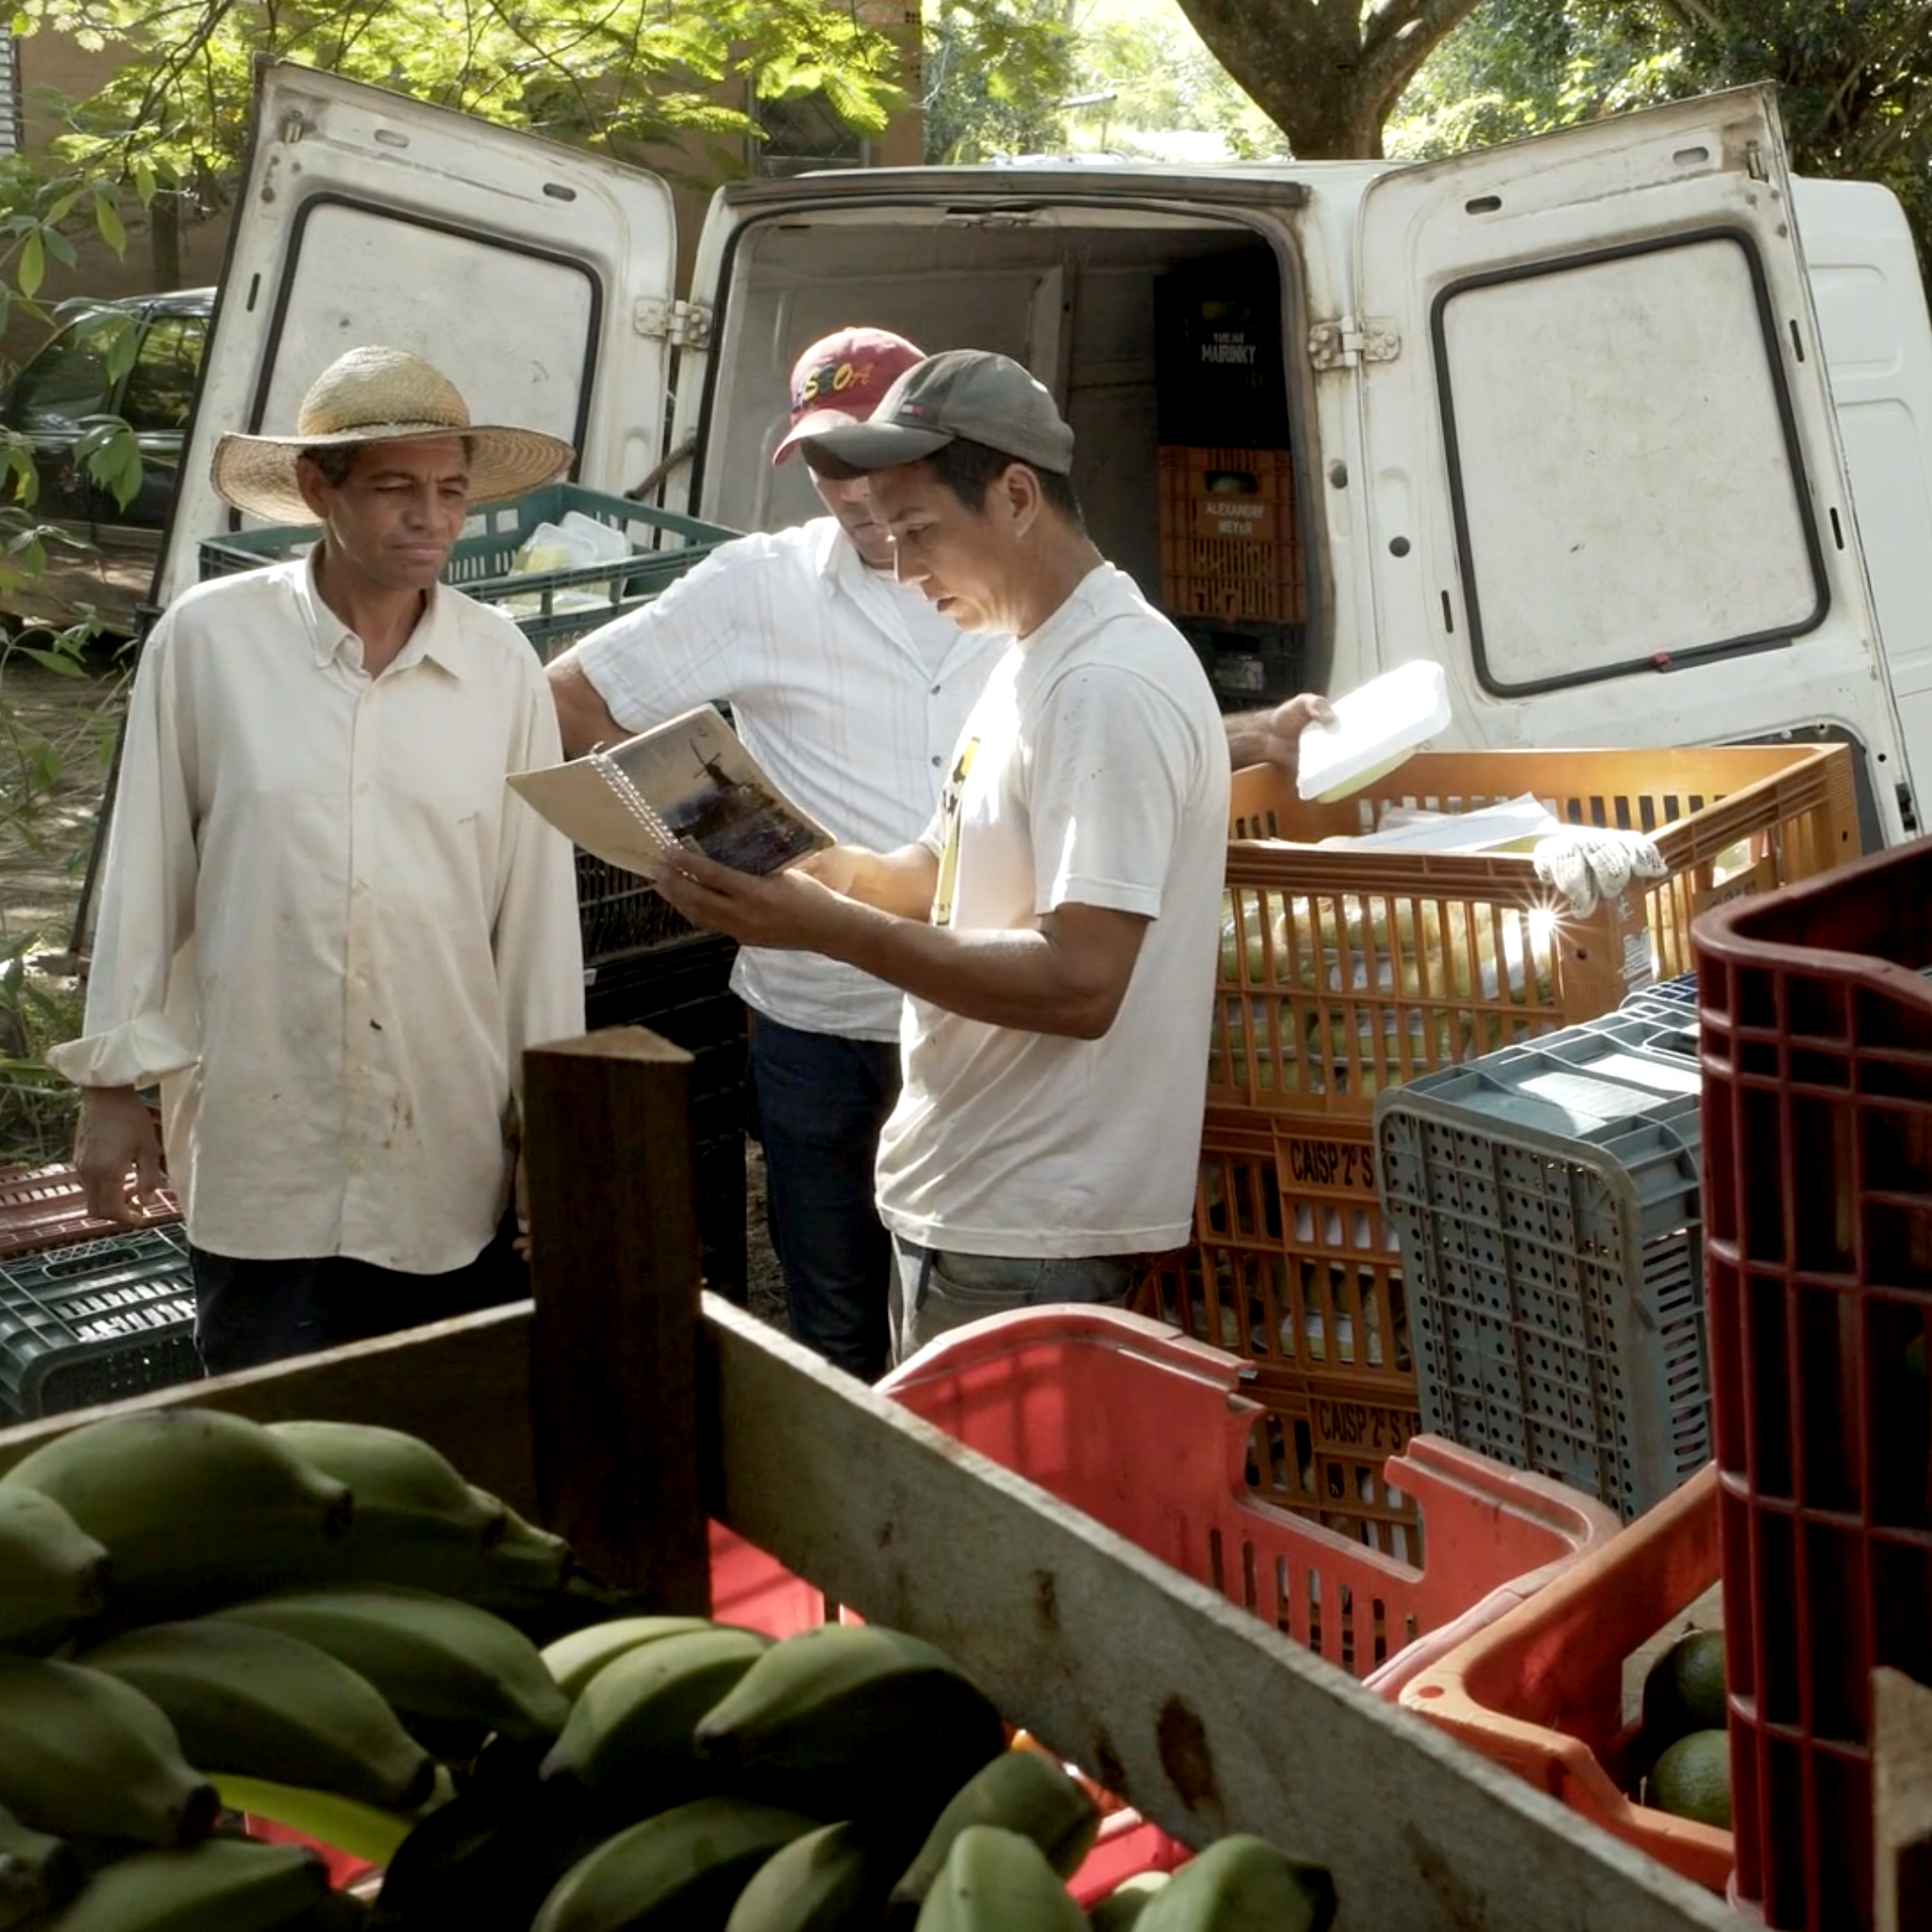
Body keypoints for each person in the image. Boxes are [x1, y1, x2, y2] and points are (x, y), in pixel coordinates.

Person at [652, 348, 1311, 1364]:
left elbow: (1081, 980)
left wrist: (827, 929)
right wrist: (827, 874)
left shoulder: (1103, 680)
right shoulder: (1032, 651)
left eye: (919, 532)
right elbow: (946, 870)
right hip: (981, 1202)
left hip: (1028, 1221)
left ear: (1014, 496)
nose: (903, 570)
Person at [48, 344, 587, 1374]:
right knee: (276, 1435)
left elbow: (534, 923)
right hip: (264, 1134)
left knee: (440, 1435)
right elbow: (146, 873)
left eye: (449, 490)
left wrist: (550, 1134)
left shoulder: (499, 666)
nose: (429, 517)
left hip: (444, 1135)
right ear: (315, 488)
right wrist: (112, 1089)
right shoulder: (209, 643)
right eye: (394, 488)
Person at [546, 327, 1009, 1384]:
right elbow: (568, 697)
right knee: (834, 1317)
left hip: (974, 1001)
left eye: (871, 455)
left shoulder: (1005, 575)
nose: (852, 489)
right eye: (826, 462)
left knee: (962, 1322)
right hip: (814, 1011)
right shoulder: (758, 584)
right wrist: (693, 808)